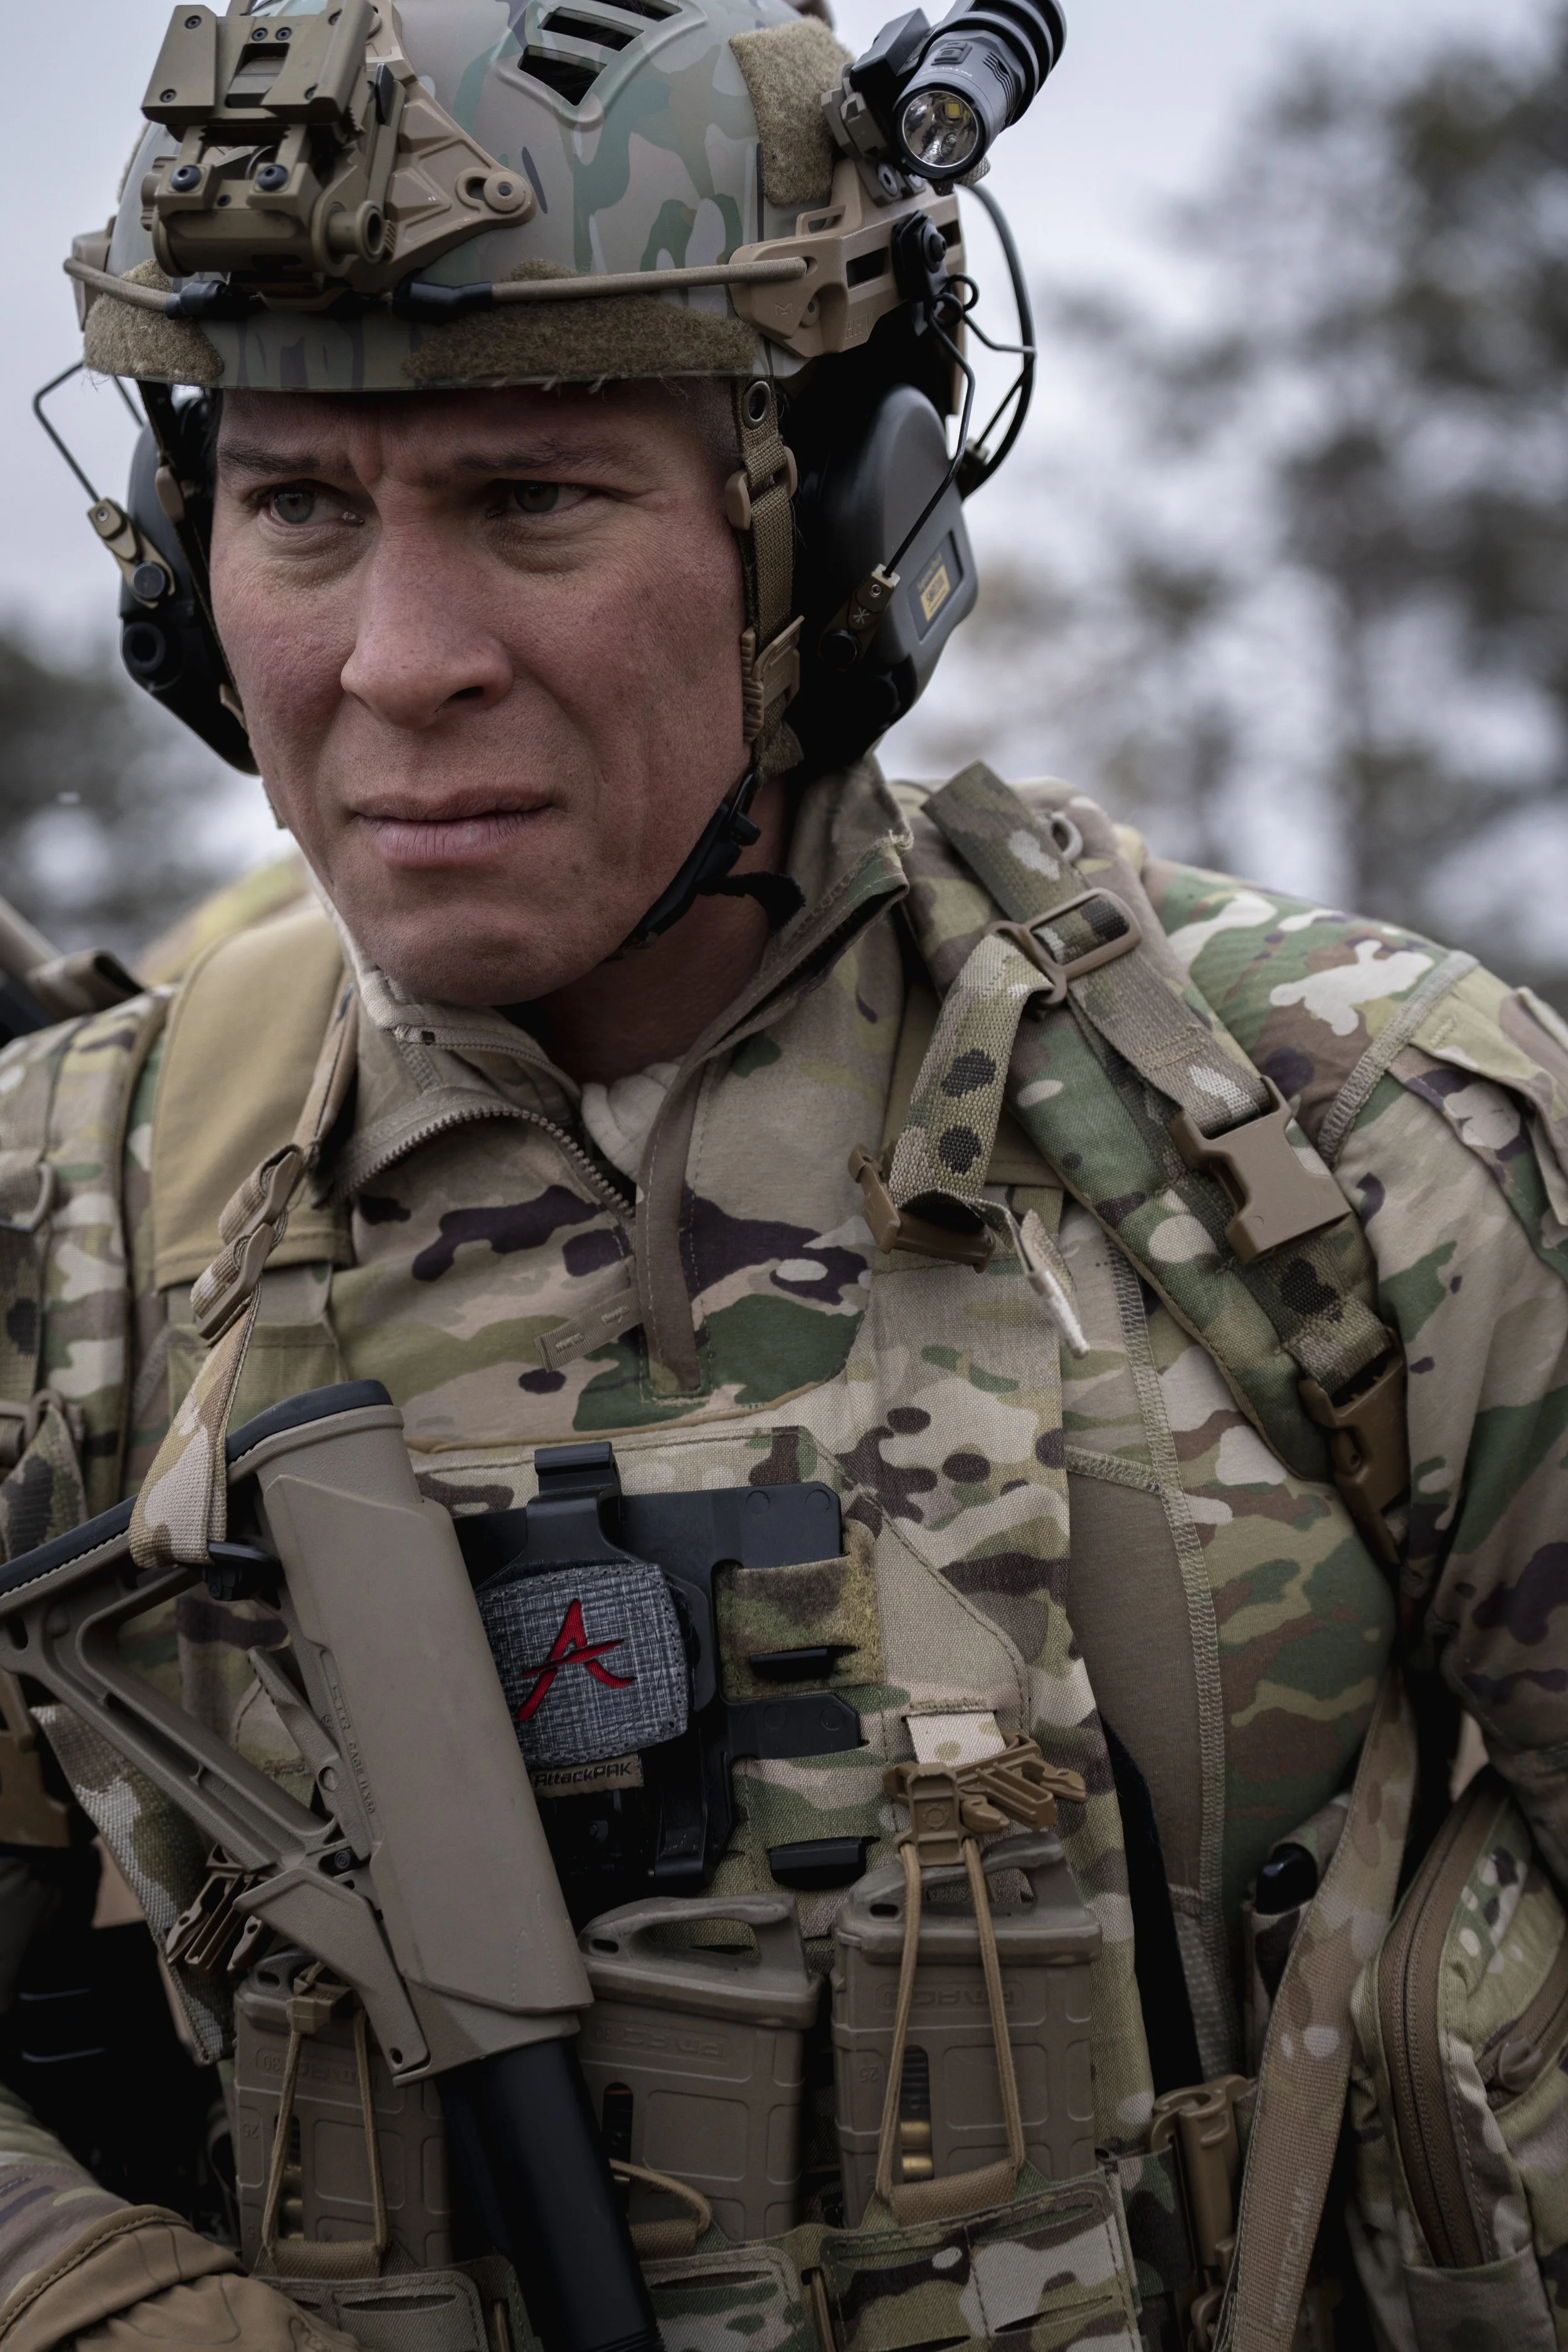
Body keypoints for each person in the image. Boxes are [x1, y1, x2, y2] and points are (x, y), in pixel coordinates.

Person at [2, 0, 1567, 2345]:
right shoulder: (68, 1222)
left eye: (534, 498)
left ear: (832, 524)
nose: (395, 663)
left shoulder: (1344, 1146)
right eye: (298, 506)